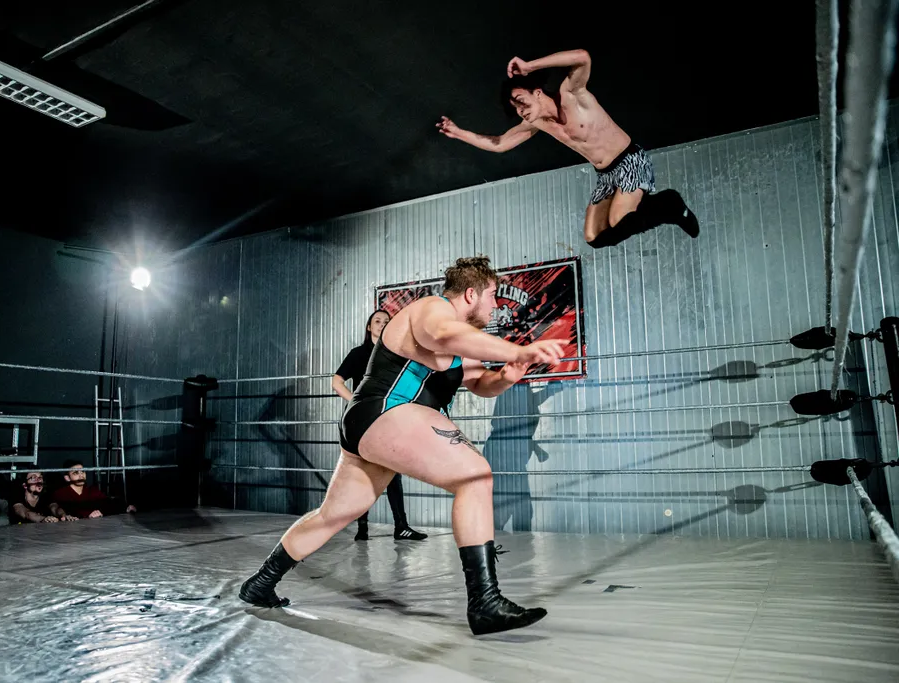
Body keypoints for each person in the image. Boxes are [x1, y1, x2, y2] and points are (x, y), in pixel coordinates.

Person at [240, 256, 566, 635]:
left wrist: (508, 375)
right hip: (383, 411)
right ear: (471, 293)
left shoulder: (466, 344)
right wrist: (516, 350)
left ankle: (259, 584)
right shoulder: (432, 309)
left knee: (335, 514)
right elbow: (443, 336)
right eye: (493, 296)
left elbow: (480, 384)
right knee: (475, 476)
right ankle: (485, 602)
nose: (497, 305)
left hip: (373, 427)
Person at [437, 49, 699, 249]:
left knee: (620, 220)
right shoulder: (537, 123)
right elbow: (500, 143)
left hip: (629, 159)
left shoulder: (571, 95)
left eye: (521, 101)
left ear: (537, 92)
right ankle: (659, 205)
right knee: (593, 237)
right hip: (606, 174)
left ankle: (669, 204)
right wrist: (459, 133)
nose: (521, 110)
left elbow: (582, 57)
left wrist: (530, 66)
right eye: (516, 108)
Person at [333, 309, 427, 541]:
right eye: (377, 321)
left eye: (386, 322)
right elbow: (336, 382)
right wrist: (355, 401)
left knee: (391, 472)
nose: (382, 324)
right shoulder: (358, 353)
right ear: (369, 327)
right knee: (363, 474)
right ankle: (362, 527)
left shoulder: (396, 355)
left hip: (387, 420)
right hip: (362, 421)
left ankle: (401, 526)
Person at [51, 461, 136, 519]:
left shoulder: (92, 490)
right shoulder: (61, 493)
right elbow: (65, 511)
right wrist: (88, 514)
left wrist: (125, 508)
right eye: (76, 473)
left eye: (83, 472)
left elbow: (108, 502)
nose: (81, 476)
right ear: (67, 478)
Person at [10, 471, 76, 523]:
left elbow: (55, 508)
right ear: (25, 485)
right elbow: (26, 513)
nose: (38, 480)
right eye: (33, 478)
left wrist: (63, 515)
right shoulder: (17, 496)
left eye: (40, 477)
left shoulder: (46, 496)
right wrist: (44, 519)